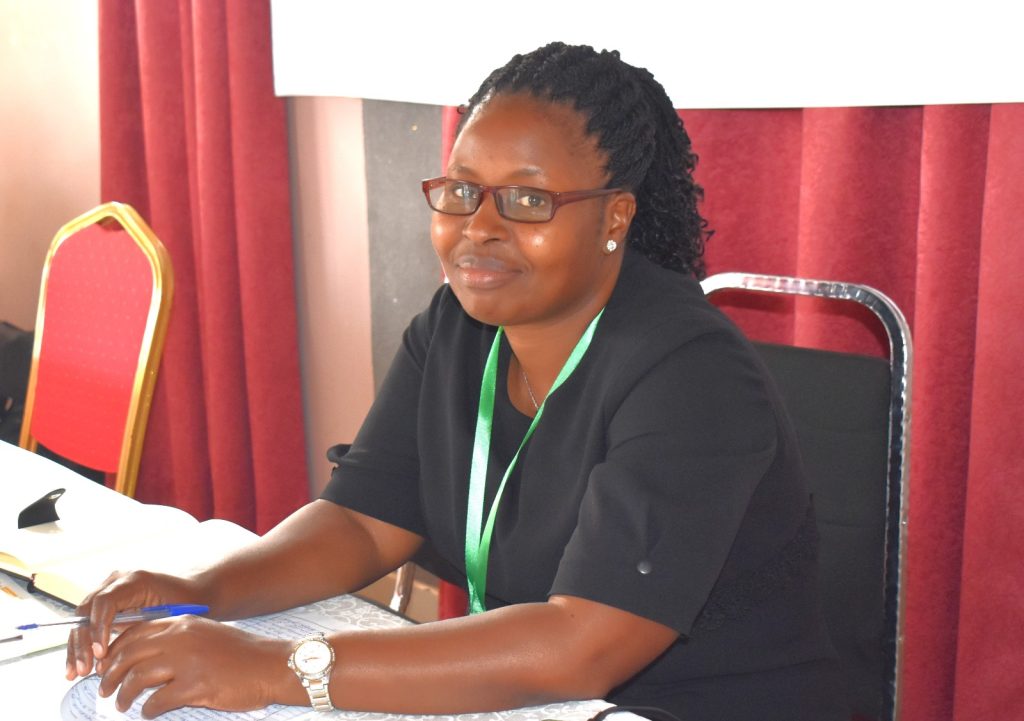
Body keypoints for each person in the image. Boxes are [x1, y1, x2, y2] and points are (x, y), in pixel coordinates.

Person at [67, 42, 846, 721]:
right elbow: (363, 523)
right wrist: (200, 592)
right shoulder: (458, 326)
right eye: (464, 190)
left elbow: (583, 642)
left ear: (615, 217)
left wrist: (274, 668)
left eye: (528, 200)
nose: (480, 226)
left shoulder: (690, 374)